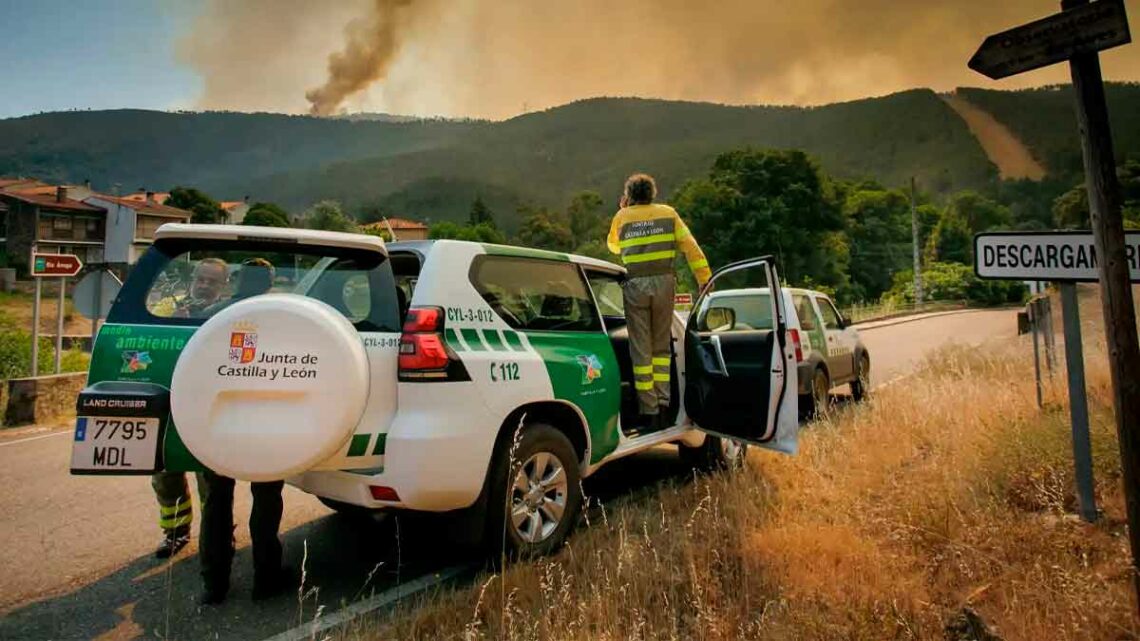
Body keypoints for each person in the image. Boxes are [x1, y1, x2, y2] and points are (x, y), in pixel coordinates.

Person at [197, 257, 290, 605]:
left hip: (219, 421)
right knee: (266, 499)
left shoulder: (214, 315)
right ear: (269, 282)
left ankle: (213, 584)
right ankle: (266, 579)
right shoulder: (283, 317)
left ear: (236, 280)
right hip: (265, 422)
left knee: (217, 501)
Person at [607, 174, 711, 427]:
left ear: (629, 195)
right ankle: (665, 405)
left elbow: (613, 247)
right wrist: (704, 277)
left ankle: (649, 410)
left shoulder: (622, 217)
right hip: (664, 284)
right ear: (652, 193)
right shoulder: (668, 213)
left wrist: (624, 211)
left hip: (635, 285)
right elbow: (691, 247)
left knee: (641, 349)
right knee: (661, 347)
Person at [150, 258, 228, 559]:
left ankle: (217, 536)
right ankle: (175, 534)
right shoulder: (170, 307)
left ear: (224, 286)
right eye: (201, 279)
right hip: (170, 401)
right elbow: (150, 336)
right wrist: (174, 322)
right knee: (165, 474)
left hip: (208, 405)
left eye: (212, 281)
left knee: (211, 480)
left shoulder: (227, 313)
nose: (205, 285)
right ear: (192, 280)